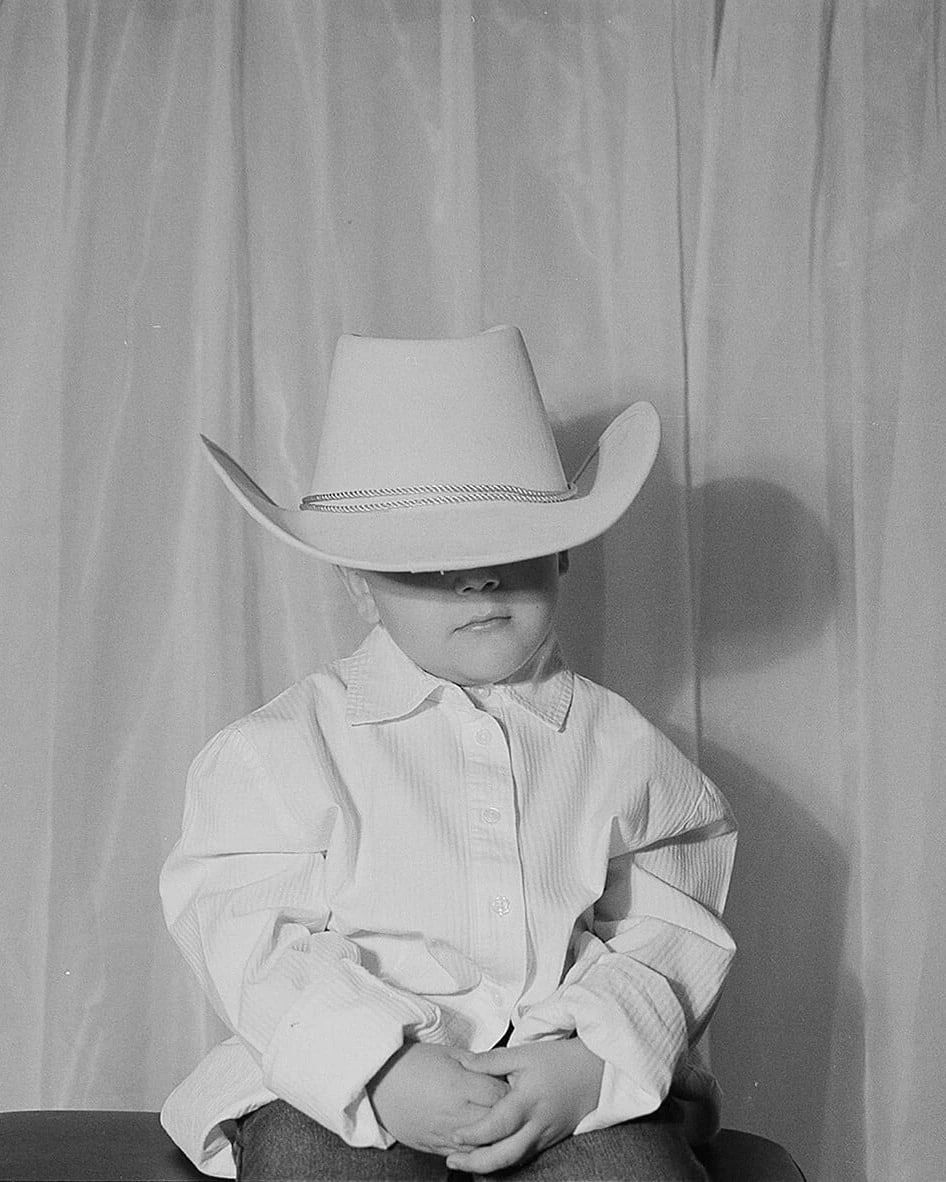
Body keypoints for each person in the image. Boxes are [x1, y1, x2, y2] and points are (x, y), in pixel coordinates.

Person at [160, 326, 737, 1180]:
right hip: (343, 1087)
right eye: (428, 562)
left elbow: (667, 930)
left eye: (508, 547)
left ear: (565, 549)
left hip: (559, 1071)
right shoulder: (276, 753)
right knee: (316, 1165)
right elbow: (252, 940)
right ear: (357, 581)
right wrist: (378, 1067)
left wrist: (586, 1064)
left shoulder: (624, 751)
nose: (477, 580)